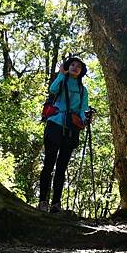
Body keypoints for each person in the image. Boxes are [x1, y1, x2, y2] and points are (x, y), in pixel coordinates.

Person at [38, 56, 89, 213]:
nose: (75, 67)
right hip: (55, 124)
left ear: (81, 71)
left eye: (78, 66)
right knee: (49, 163)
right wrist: (61, 74)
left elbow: (83, 109)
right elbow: (53, 90)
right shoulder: (62, 80)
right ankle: (42, 201)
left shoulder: (82, 89)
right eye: (72, 65)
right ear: (67, 67)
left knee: (61, 167)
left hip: (71, 129)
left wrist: (84, 120)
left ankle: (56, 204)